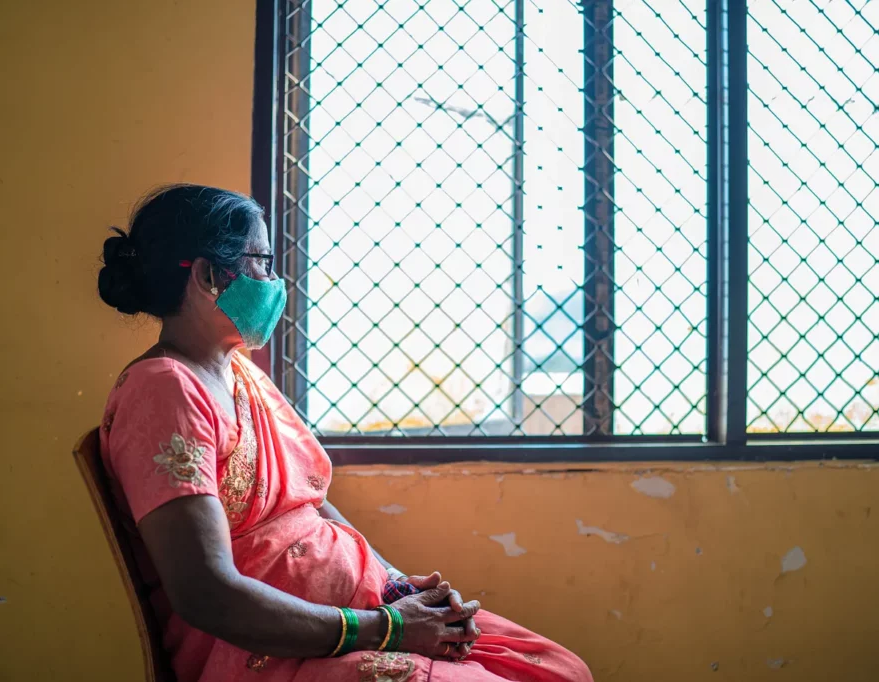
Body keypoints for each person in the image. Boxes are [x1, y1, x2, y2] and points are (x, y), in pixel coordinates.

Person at [96, 184, 593, 682]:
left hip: (364, 614)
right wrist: (388, 630)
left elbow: (310, 503)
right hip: (273, 650)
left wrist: (399, 588)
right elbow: (207, 593)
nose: (274, 281)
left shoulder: (238, 372)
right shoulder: (164, 390)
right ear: (208, 276)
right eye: (263, 263)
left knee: (560, 670)